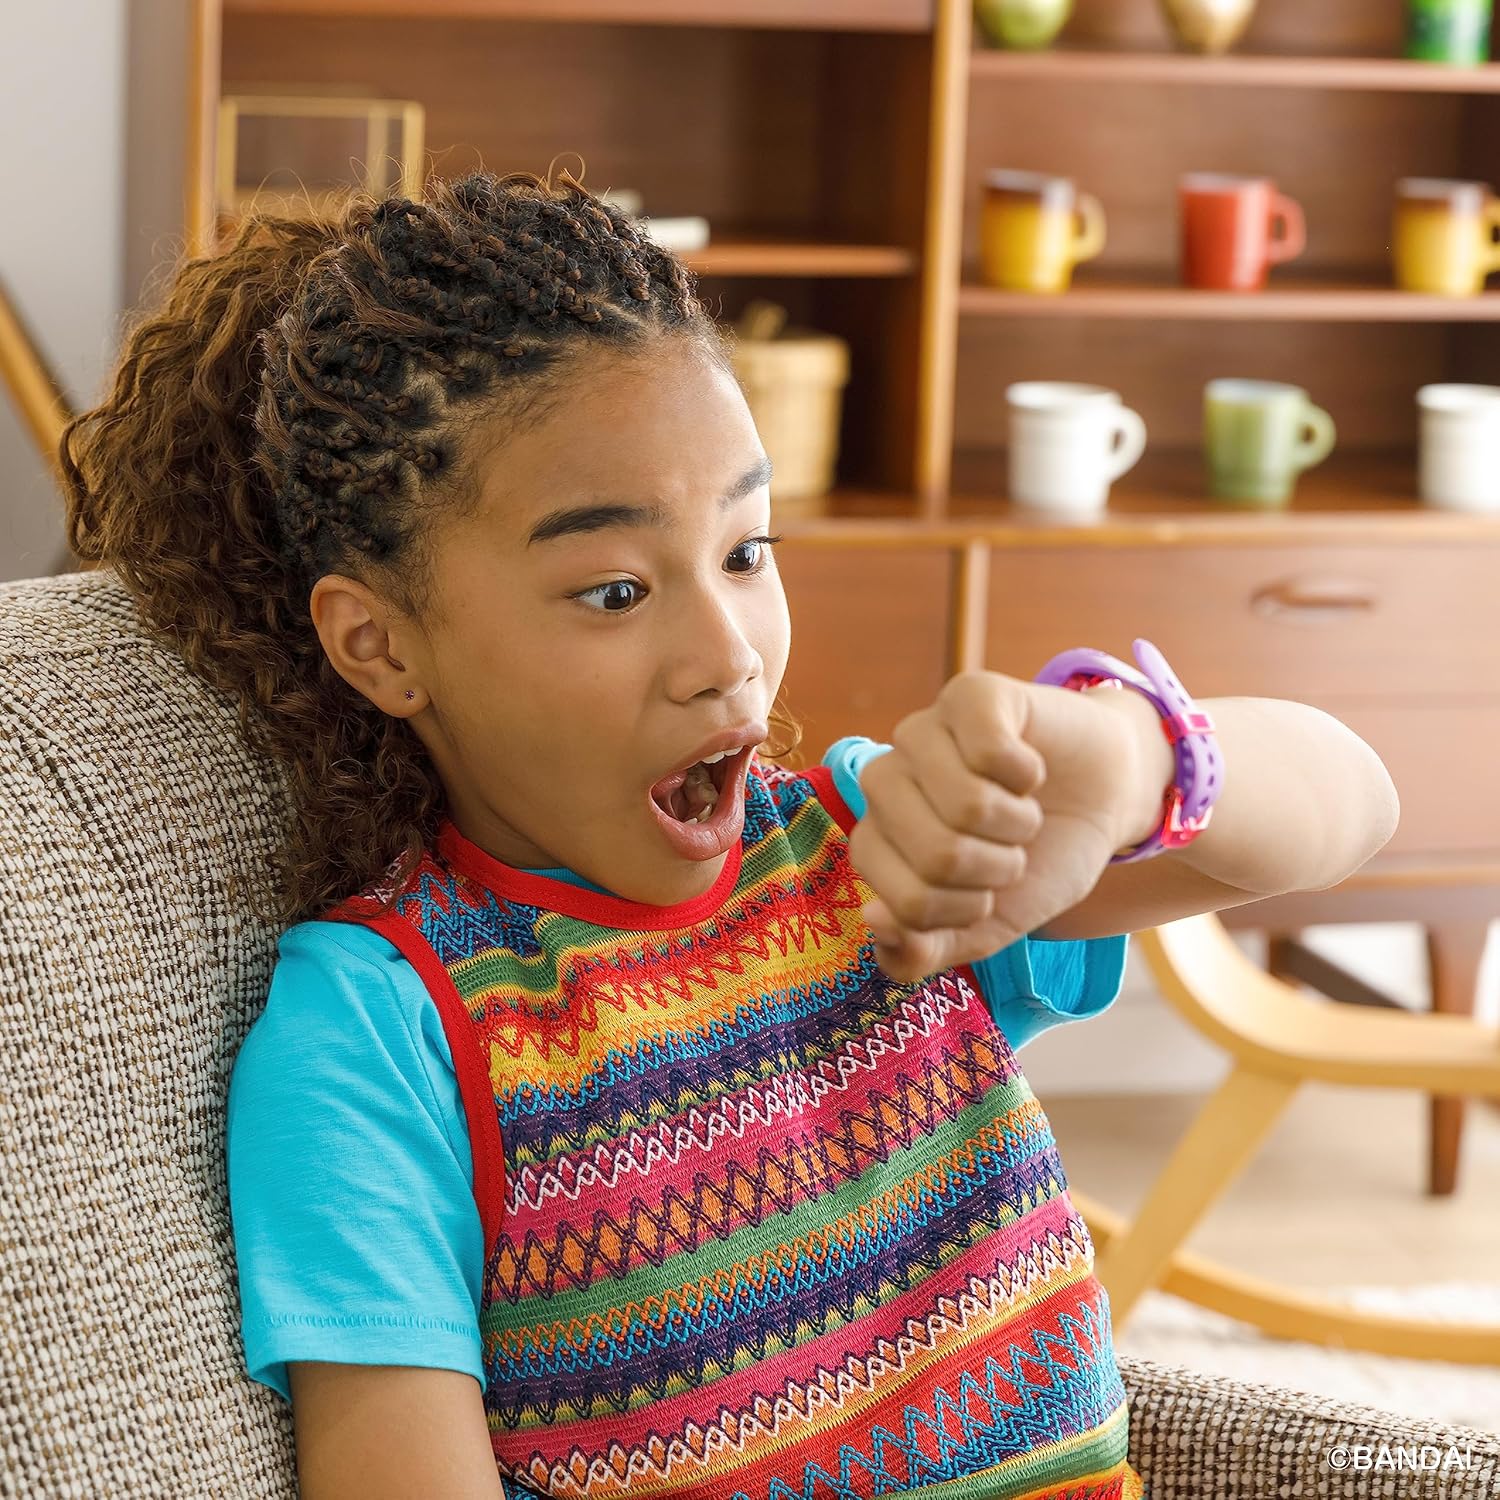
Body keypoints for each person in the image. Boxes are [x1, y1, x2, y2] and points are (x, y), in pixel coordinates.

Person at [60, 168, 1398, 1500]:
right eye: (615, 589)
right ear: (381, 642)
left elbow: (1349, 805)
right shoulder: (379, 1036)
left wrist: (1130, 755)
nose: (726, 655)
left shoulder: (881, 859)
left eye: (748, 551)